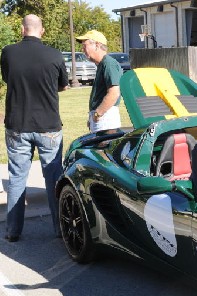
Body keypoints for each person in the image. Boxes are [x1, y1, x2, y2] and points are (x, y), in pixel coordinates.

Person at [1, 15, 69, 242]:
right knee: (53, 176)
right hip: (48, 125)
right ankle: (60, 228)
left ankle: (13, 231)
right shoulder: (55, 55)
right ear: (43, 31)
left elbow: (8, 78)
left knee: (17, 177)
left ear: (22, 30)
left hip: (17, 125)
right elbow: (63, 86)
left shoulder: (8, 52)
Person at [76, 30, 122, 134]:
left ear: (97, 45)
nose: (82, 49)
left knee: (103, 149)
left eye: (85, 45)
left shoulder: (109, 64)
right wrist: (92, 118)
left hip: (106, 120)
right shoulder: (102, 64)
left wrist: (97, 114)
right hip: (103, 118)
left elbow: (114, 93)